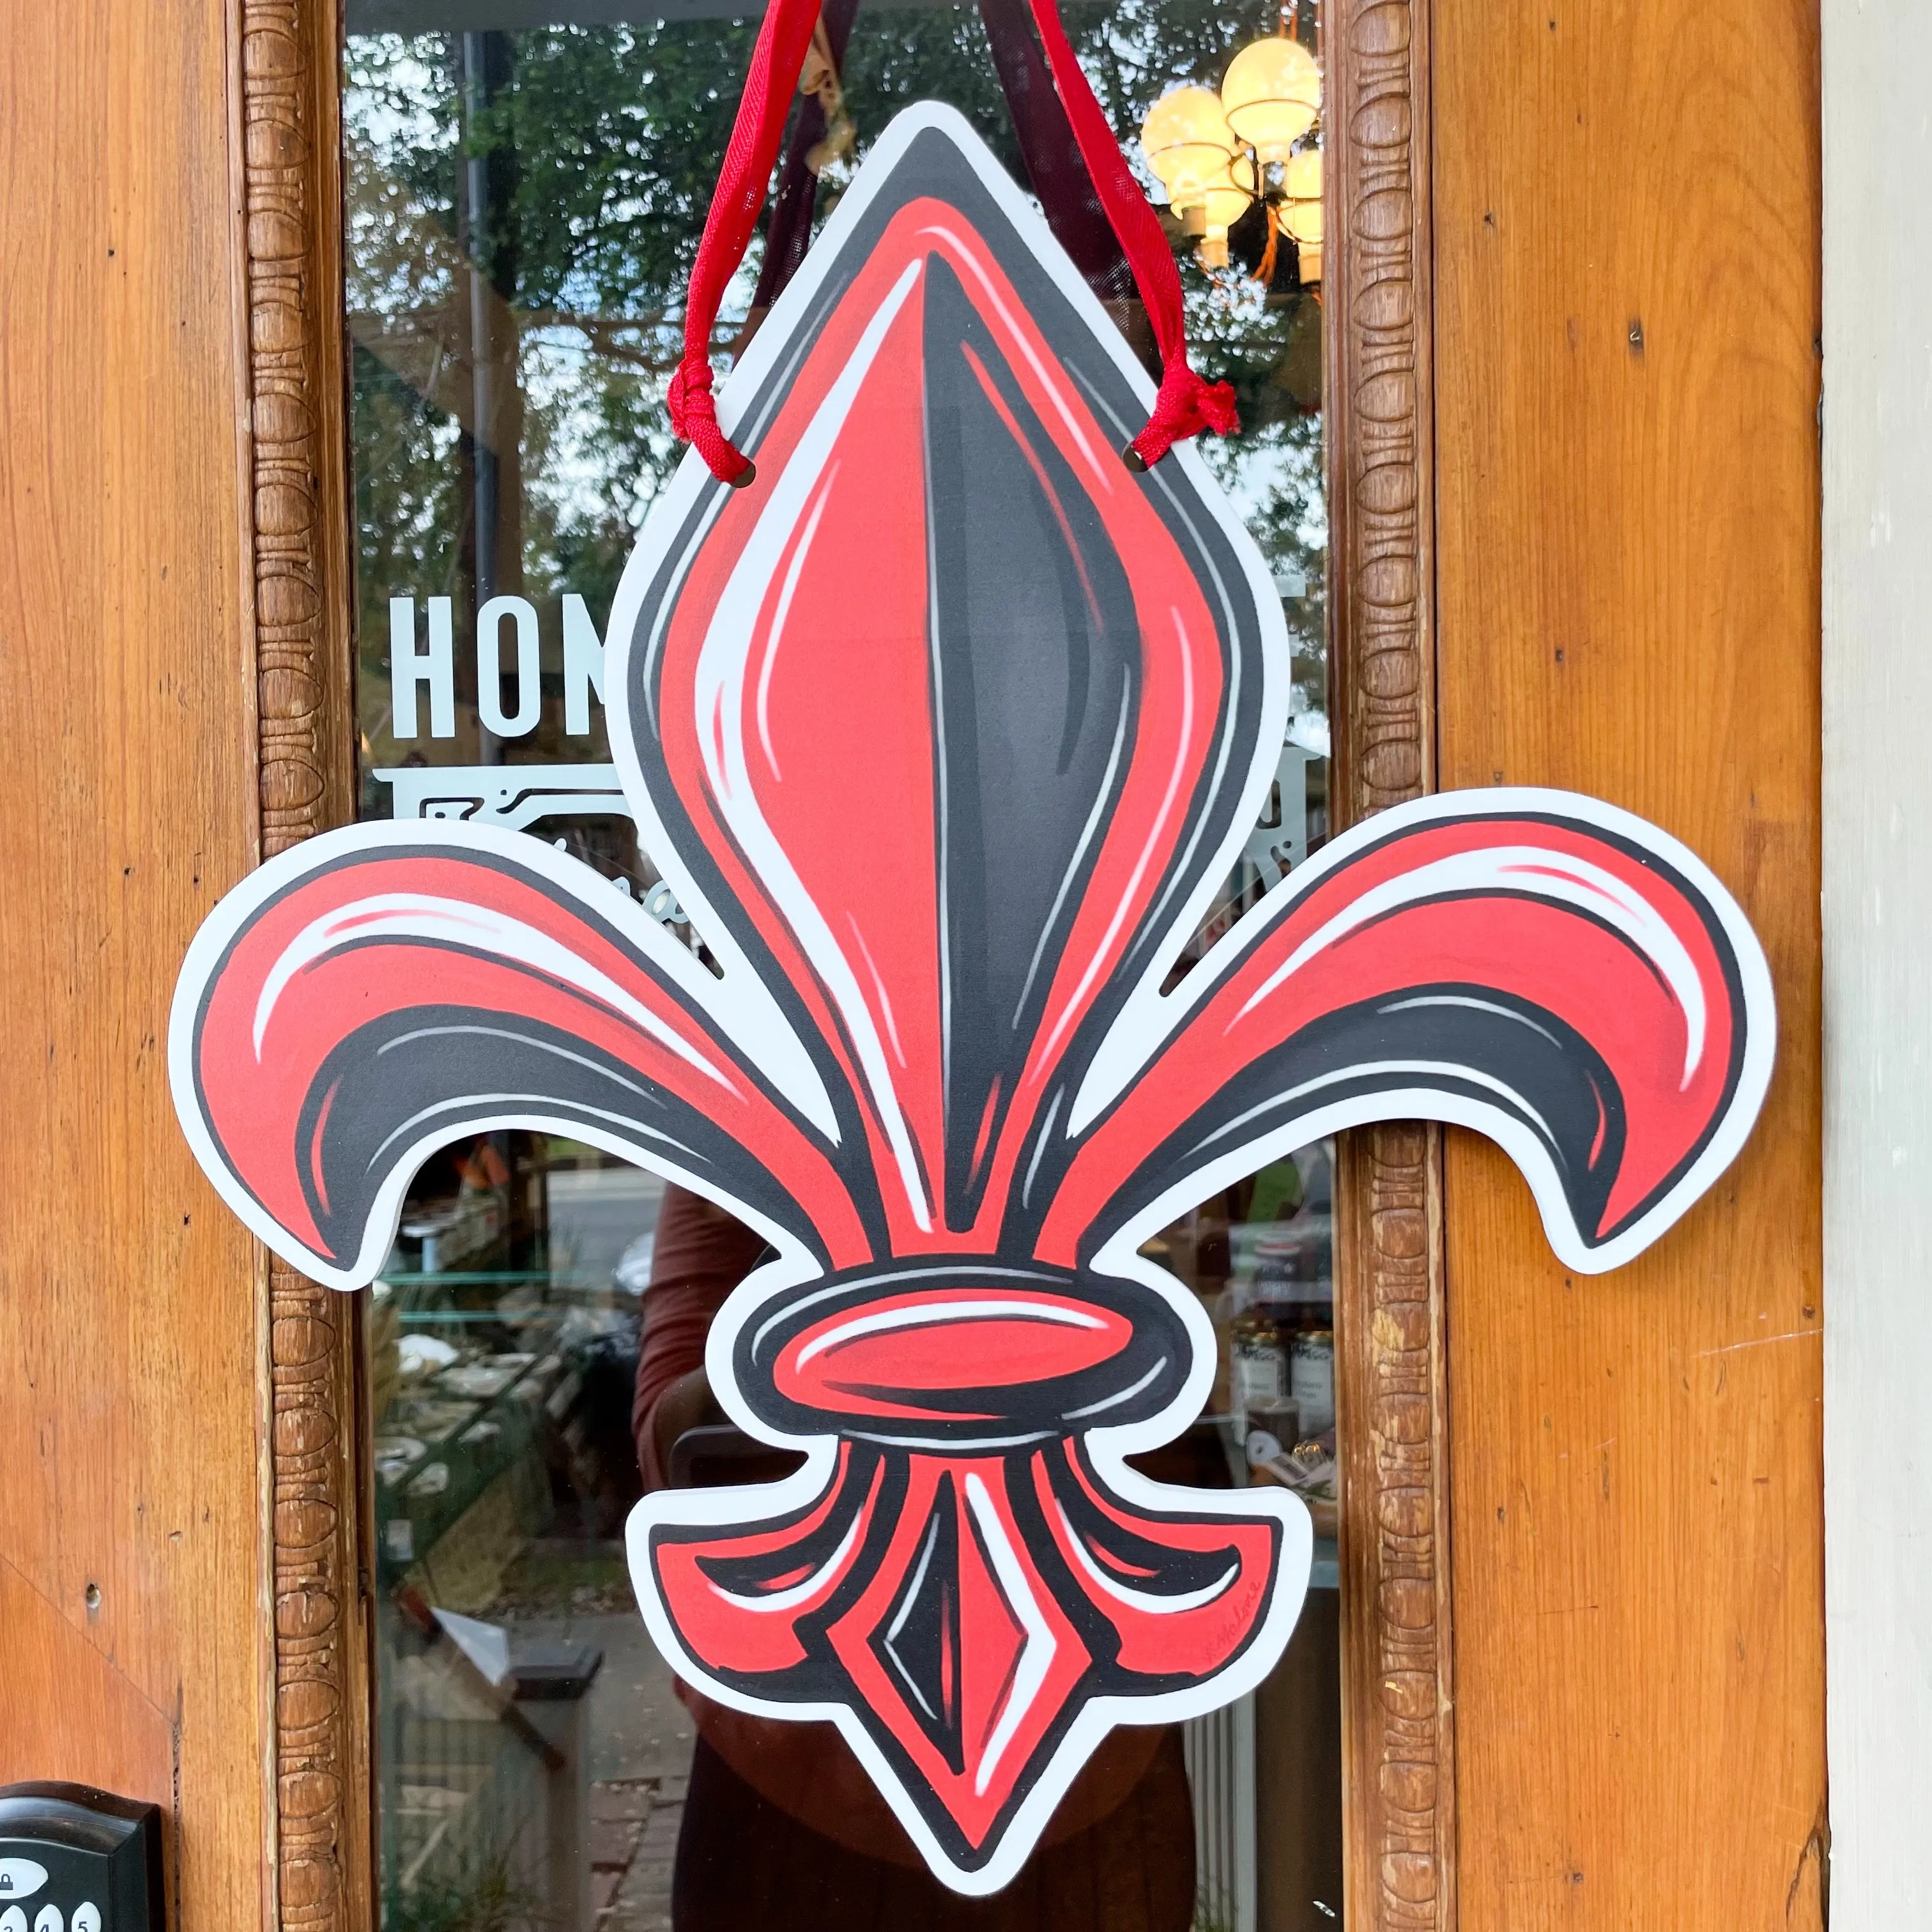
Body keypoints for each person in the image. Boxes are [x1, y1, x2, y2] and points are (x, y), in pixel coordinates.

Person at [632, 1183, 1197, 1931]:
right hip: (804, 1756)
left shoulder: (1082, 1110)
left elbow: (1180, 1405)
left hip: (1072, 1750)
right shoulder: (747, 1141)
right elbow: (668, 1447)